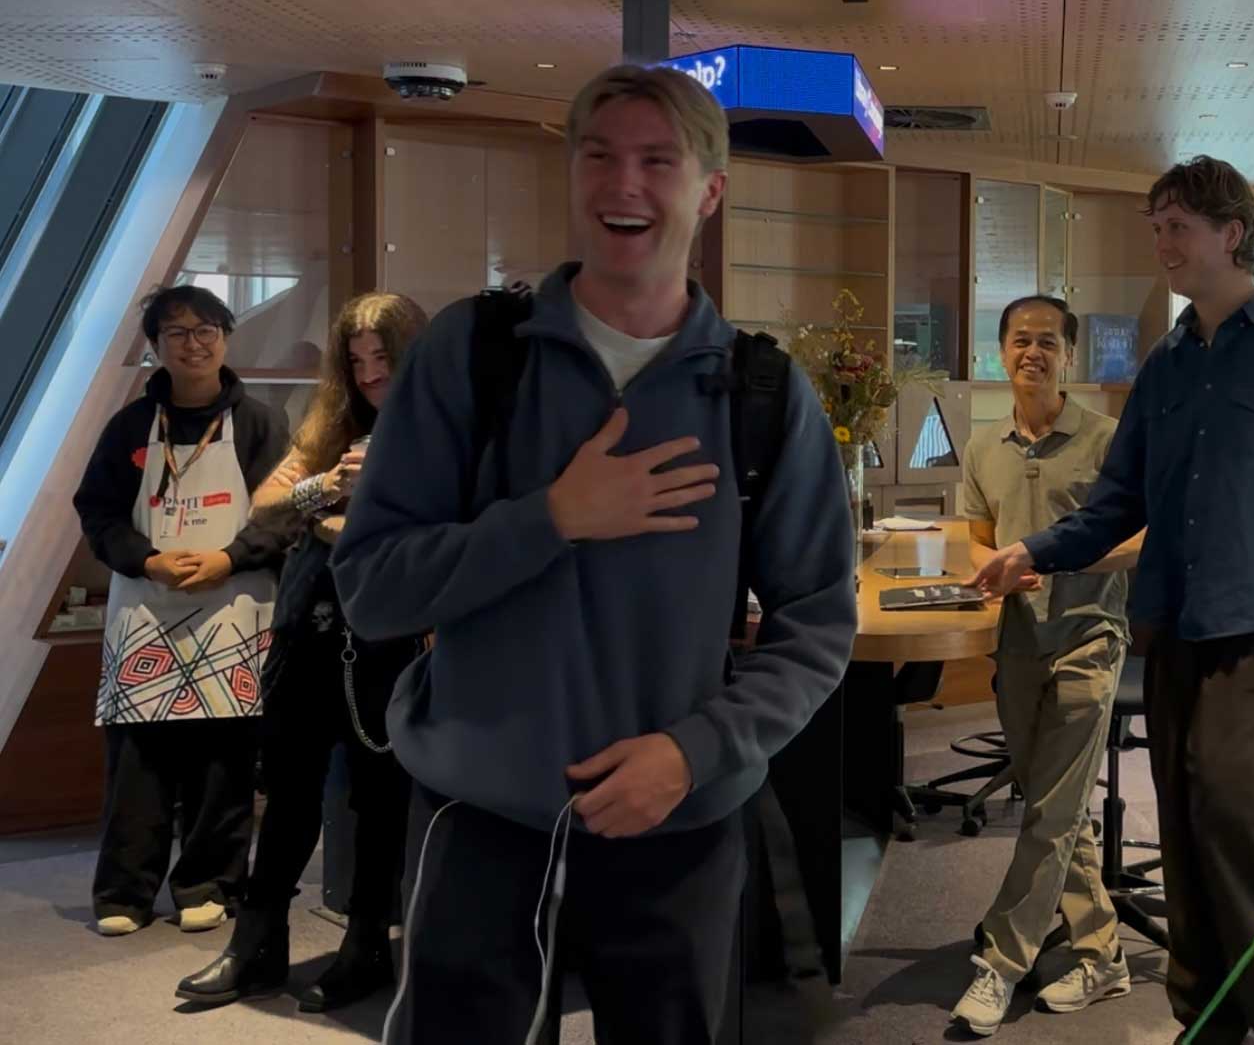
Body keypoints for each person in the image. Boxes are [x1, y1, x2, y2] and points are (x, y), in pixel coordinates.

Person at [332, 64, 856, 1045]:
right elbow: (371, 589)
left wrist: (692, 754)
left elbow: (817, 629)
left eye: (657, 161)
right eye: (599, 155)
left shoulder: (761, 396)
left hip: (678, 823)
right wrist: (552, 519)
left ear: (708, 191)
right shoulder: (473, 355)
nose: (624, 184)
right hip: (480, 815)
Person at [974, 155, 1254, 1045]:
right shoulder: (1167, 362)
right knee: (1188, 832)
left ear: (1232, 233)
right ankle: (1206, 1018)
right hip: (1173, 631)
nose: (1161, 243)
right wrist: (1030, 549)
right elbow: (1118, 503)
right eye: (1154, 227)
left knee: (1231, 818)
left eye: (1176, 227)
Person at [176, 293, 430, 1012]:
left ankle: (366, 946)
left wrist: (333, 513)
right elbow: (265, 504)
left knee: (378, 799)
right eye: (356, 360)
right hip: (307, 627)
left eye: (383, 358)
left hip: (386, 634)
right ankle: (257, 943)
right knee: (287, 789)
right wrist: (332, 487)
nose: (371, 373)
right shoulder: (332, 425)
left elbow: (425, 532)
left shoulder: (441, 430)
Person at [952, 294, 1143, 1036]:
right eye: (1020, 340)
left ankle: (1000, 963)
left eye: (1048, 342)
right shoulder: (982, 444)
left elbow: (1143, 538)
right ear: (1001, 352)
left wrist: (1058, 561)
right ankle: (1103, 956)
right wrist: (999, 568)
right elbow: (976, 538)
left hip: (1090, 638)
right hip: (1019, 641)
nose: (1033, 352)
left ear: (1069, 356)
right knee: (1052, 807)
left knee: (1053, 807)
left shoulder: (1105, 438)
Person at [71, 285, 289, 937]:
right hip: (148, 608)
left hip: (234, 607)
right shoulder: (129, 426)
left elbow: (285, 513)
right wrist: (145, 559)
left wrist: (230, 556)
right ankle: (123, 893)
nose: (192, 345)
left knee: (224, 763)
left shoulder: (261, 421)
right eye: (176, 334)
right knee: (137, 761)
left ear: (226, 335)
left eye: (205, 331)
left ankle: (208, 883)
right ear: (155, 348)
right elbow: (97, 511)